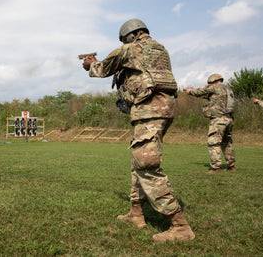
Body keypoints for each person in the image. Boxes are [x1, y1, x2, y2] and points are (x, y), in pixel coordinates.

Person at [82, 19, 195, 243]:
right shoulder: (160, 49)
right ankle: (136, 213)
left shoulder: (130, 48)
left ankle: (179, 225)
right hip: (164, 108)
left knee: (146, 165)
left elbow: (103, 68)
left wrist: (90, 64)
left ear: (130, 36)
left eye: (124, 40)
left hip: (150, 110)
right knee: (138, 163)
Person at [184, 74, 236, 173]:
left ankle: (216, 168)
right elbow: (212, 97)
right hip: (229, 119)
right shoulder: (228, 89)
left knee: (214, 143)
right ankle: (231, 166)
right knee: (227, 143)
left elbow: (200, 92)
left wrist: (190, 91)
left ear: (213, 81)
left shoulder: (215, 87)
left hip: (218, 120)